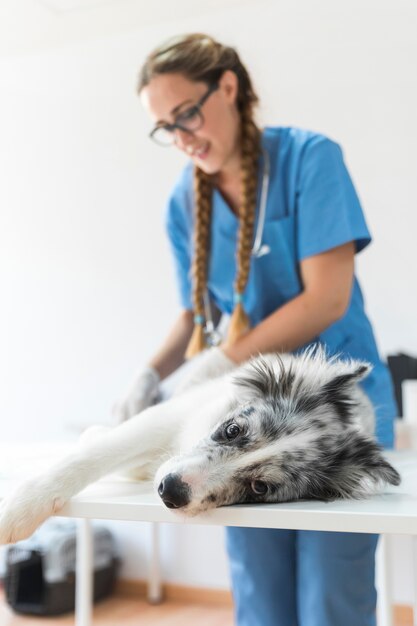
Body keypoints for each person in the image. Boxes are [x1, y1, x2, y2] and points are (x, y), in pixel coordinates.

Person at [113, 33, 397, 626]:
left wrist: (219, 364)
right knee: (259, 595)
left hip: (333, 419)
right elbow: (195, 314)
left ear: (229, 88)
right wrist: (151, 374)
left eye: (186, 113)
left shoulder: (308, 159)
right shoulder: (182, 206)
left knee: (331, 600)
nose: (182, 137)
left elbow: (326, 298)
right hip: (236, 424)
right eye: (166, 126)